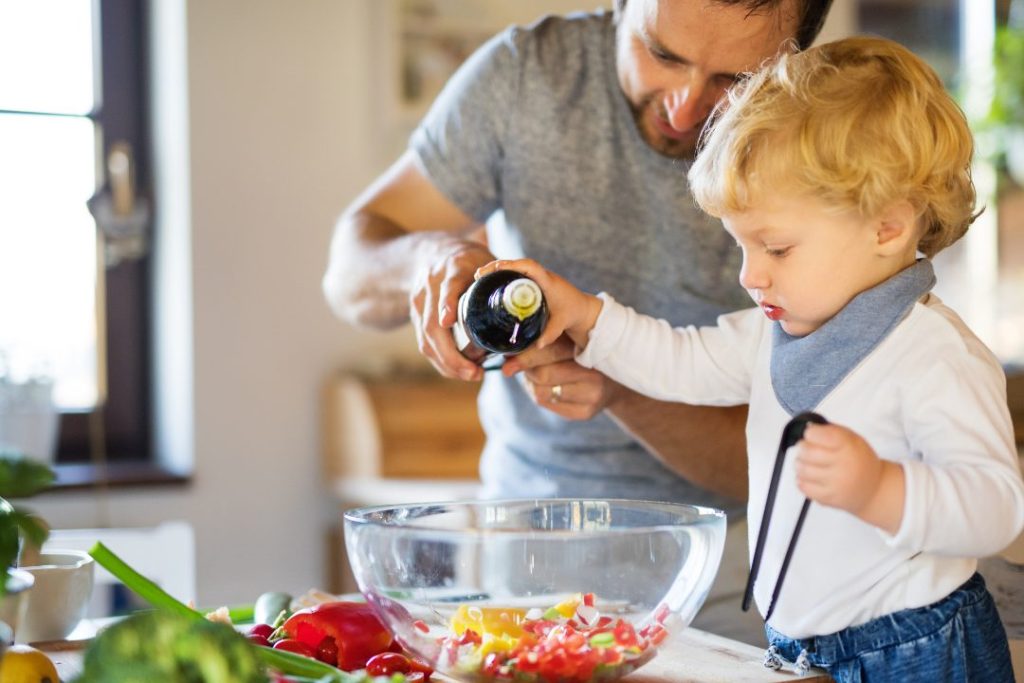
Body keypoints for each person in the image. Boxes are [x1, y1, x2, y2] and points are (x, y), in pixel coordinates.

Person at [476, 36, 1024, 680]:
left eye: (777, 248)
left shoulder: (935, 358)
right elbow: (679, 361)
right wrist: (585, 316)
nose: (749, 275)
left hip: (912, 649)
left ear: (888, 228)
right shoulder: (772, 331)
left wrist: (883, 489)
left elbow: (995, 509)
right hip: (797, 644)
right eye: (742, 246)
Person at [323, 0, 833, 645]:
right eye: (663, 54)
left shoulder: (820, 137)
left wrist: (617, 386)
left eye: (733, 80)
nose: (683, 108)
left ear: (794, 57)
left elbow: (774, 463)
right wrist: (431, 257)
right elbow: (348, 271)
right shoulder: (524, 75)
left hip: (738, 566)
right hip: (523, 550)